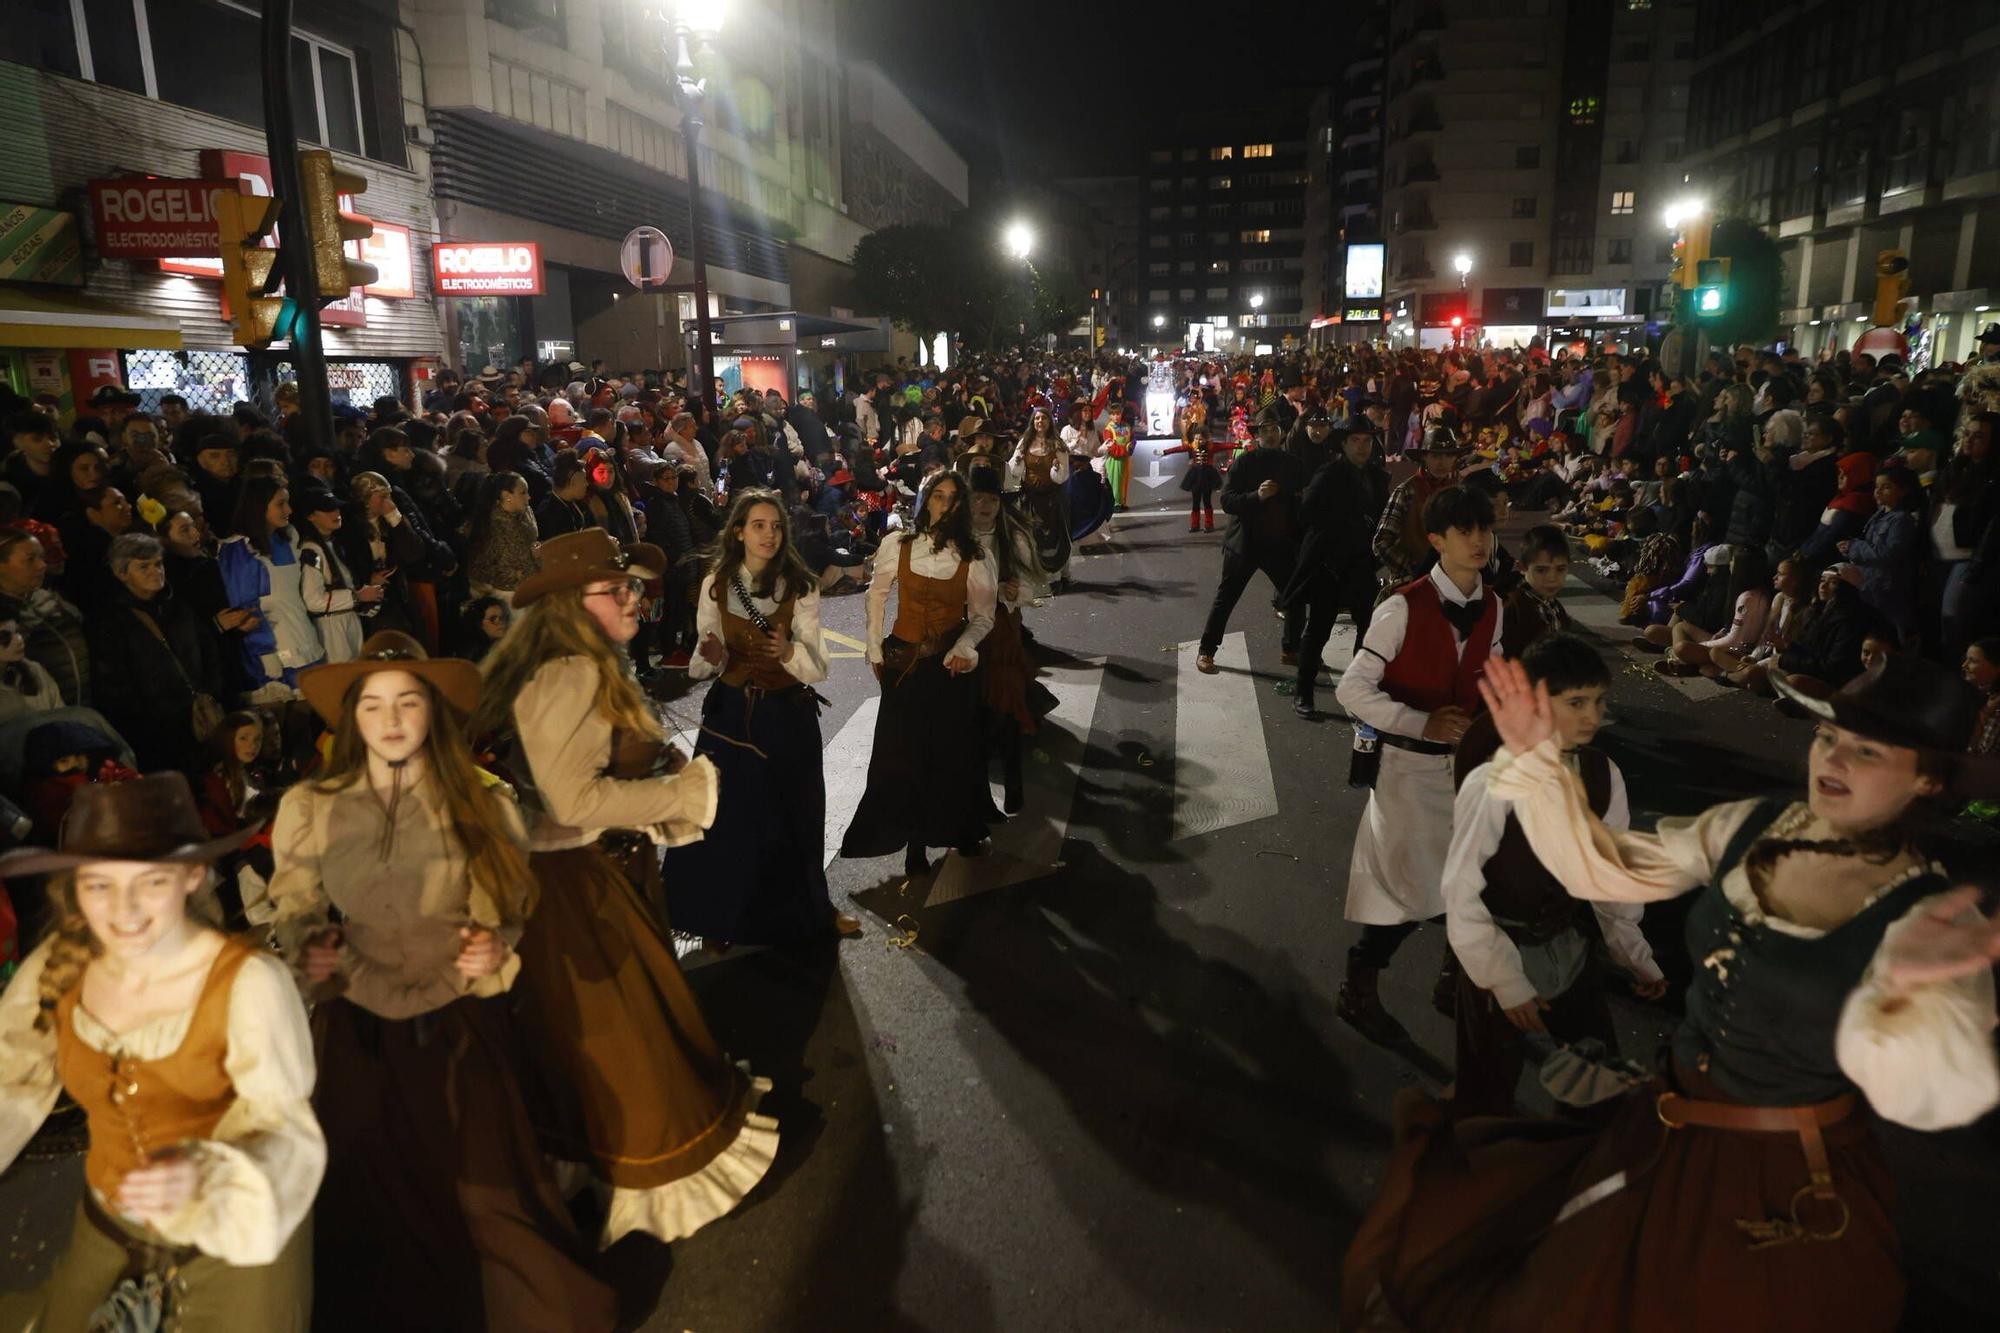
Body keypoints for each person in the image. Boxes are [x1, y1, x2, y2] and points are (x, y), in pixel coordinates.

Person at [1344, 652, 2000, 1333]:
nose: (1833, 757)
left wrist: (1900, 996)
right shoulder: (1758, 825)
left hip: (1776, 1171)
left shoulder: (1933, 921)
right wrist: (1539, 768)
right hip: (1666, 1120)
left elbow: (1920, 1096)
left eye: (1868, 750)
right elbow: (1609, 865)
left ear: (1926, 778)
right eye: (1829, 735)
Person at [268, 633, 617, 1331]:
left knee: (485, 1190)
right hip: (358, 1017)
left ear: (433, 712)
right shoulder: (311, 804)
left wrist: (496, 942)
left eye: (408, 701)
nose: (391, 718)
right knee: (373, 1188)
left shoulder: (481, 800)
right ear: (349, 718)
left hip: (460, 1015)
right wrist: (311, 945)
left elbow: (512, 901)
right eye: (372, 704)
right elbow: (296, 899)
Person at [474, 528, 778, 1247]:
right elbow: (573, 803)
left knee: (614, 1041)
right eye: (618, 589)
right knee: (629, 1047)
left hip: (593, 875)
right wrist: (680, 792)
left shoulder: (581, 660)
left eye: (632, 586)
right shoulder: (569, 670)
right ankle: (648, 1178)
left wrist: (649, 760)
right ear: (570, 605)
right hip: (578, 886)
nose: (635, 596)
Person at [0, 774, 324, 1329]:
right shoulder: (62, 963)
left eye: (150, 882)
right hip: (110, 1229)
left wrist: (205, 1174)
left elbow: (286, 1131)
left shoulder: (250, 984)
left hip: (234, 1243)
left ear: (192, 875)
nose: (124, 910)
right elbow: (9, 1079)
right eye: (99, 885)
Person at [1443, 634, 1664, 1116]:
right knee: (1487, 1096)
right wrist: (1504, 980)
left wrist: (1634, 955)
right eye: (1576, 702)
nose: (1592, 716)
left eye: (1599, 701)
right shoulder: (1492, 783)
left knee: (1599, 1080)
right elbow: (1461, 890)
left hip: (1569, 948)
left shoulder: (1605, 775)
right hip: (1496, 951)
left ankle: (1584, 1171)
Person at [1333, 485, 1502, 1041]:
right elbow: (1352, 690)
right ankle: (1359, 986)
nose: (1479, 541)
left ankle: (1455, 976)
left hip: (1465, 769)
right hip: (1405, 772)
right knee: (1405, 889)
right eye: (1465, 532)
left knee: (1471, 874)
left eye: (1485, 529)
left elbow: (1490, 676)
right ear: (1436, 540)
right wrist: (1418, 721)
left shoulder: (1493, 606)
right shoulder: (1401, 607)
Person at [662, 490, 857, 945]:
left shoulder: (801, 586)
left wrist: (789, 652)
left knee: (798, 816)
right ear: (738, 532)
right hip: (730, 714)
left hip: (787, 716)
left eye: (775, 526)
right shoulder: (717, 582)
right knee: (724, 819)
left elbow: (819, 668)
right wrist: (711, 655)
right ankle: (717, 920)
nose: (769, 534)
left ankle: (814, 910)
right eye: (758, 525)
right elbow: (701, 662)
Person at [839, 471, 1000, 878]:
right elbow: (876, 595)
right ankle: (913, 841)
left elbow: (983, 617)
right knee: (903, 757)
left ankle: (959, 828)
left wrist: (965, 646)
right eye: (938, 496)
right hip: (903, 665)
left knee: (952, 752)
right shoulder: (899, 545)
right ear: (926, 501)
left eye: (953, 497)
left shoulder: (976, 556)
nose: (945, 504)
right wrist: (873, 645)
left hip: (948, 668)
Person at [85, 532, 222, 775]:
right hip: (159, 733)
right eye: (143, 566)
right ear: (121, 573)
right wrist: (150, 722)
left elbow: (208, 649)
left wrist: (210, 689)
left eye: (158, 564)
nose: (155, 571)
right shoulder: (111, 621)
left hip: (198, 717)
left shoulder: (179, 607)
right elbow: (114, 683)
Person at [1283, 417, 1388, 716]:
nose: (1362, 447)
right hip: (1328, 565)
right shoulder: (1328, 474)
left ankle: (1357, 687)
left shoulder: (1378, 477)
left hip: (1361, 564)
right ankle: (1304, 690)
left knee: (1368, 630)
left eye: (1367, 441)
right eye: (1355, 440)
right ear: (1343, 444)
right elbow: (1307, 514)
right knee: (1318, 629)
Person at [1194, 418, 1308, 675]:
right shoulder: (1245, 462)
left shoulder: (1294, 465)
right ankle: (1206, 650)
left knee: (1295, 597)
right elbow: (1227, 500)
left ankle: (1291, 649)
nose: (1269, 435)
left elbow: (1303, 499)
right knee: (1226, 599)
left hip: (1279, 544)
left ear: (1282, 433)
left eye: (1274, 430)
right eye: (1264, 430)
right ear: (1256, 435)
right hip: (1244, 544)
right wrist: (1256, 496)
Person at [217, 477, 323, 701]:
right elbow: (244, 608)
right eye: (280, 504)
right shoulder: (239, 549)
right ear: (258, 506)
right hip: (275, 654)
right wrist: (263, 654)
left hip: (306, 641)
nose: (289, 509)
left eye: (288, 502)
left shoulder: (288, 538)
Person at [1373, 428, 1472, 591]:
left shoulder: (1460, 492)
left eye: (1448, 455)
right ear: (1424, 457)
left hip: (1454, 583)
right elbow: (1382, 542)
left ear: (1455, 458)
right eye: (1435, 456)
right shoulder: (1407, 491)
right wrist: (1412, 571)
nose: (1442, 462)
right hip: (1412, 584)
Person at [294, 487, 373, 664]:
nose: (336, 513)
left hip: (347, 620)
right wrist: (357, 596)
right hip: (331, 626)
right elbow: (313, 600)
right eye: (328, 510)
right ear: (310, 516)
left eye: (336, 508)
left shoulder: (335, 544)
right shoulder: (311, 550)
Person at [1007, 409, 1073, 583]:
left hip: (1052, 499)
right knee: (1032, 538)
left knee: (1055, 538)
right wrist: (1019, 461)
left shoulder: (1057, 445)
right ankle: (1036, 576)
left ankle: (1057, 576)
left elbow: (1063, 476)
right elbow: (1014, 471)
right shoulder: (1025, 442)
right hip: (1031, 498)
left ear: (1049, 421)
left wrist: (1056, 470)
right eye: (1037, 418)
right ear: (1032, 422)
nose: (1040, 421)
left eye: (1044, 418)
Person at [1499, 524, 1573, 659]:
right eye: (1541, 570)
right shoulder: (1513, 608)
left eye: (1560, 569)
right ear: (1522, 567)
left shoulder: (1553, 605)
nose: (1552, 578)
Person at [464, 471, 540, 598]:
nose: (529, 497)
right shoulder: (495, 526)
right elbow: (498, 571)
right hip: (507, 595)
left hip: (526, 587)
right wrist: (530, 564)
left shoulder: (524, 513)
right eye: (523, 493)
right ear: (507, 496)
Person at [1162, 418, 1235, 534]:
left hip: (1207, 476)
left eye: (1200, 439)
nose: (1198, 440)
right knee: (1195, 502)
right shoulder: (1192, 446)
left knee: (1207, 501)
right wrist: (1164, 452)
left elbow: (1226, 445)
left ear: (1206, 439)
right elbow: (1179, 449)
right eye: (1196, 438)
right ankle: (1194, 524)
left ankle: (1209, 524)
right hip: (1195, 476)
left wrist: (1240, 444)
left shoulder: (1212, 446)